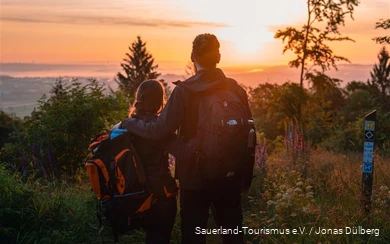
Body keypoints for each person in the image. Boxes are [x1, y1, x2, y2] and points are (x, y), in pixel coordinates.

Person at [121, 33, 254, 244]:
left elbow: (158, 131)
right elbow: (248, 135)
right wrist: (245, 177)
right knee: (233, 234)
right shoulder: (236, 90)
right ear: (218, 56)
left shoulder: (184, 91)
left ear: (192, 57)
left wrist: (129, 123)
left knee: (194, 236)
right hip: (230, 176)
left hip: (194, 179)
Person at [116, 79, 178, 244]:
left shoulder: (124, 127)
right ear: (160, 101)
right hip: (161, 196)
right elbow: (183, 152)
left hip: (134, 197)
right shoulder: (160, 129)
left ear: (139, 99)